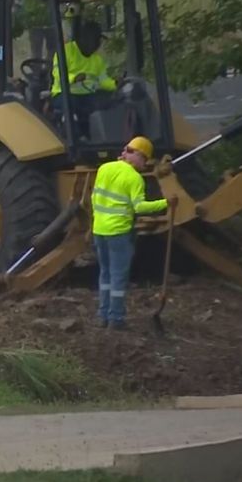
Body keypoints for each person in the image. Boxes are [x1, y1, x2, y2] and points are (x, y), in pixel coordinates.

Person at [91, 136, 175, 330]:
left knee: (104, 274)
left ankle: (102, 315)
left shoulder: (105, 168)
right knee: (118, 276)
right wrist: (166, 202)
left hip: (99, 230)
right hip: (119, 233)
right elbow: (139, 207)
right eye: (144, 160)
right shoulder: (134, 177)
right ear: (137, 155)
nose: (144, 165)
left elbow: (95, 197)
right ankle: (116, 319)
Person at [50, 21, 117, 137]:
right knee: (71, 104)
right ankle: (73, 137)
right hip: (64, 94)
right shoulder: (65, 51)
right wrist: (74, 78)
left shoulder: (97, 60)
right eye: (95, 39)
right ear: (83, 38)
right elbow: (58, 74)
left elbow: (103, 81)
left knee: (109, 101)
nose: (97, 44)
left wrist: (116, 83)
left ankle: (104, 139)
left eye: (99, 40)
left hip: (87, 96)